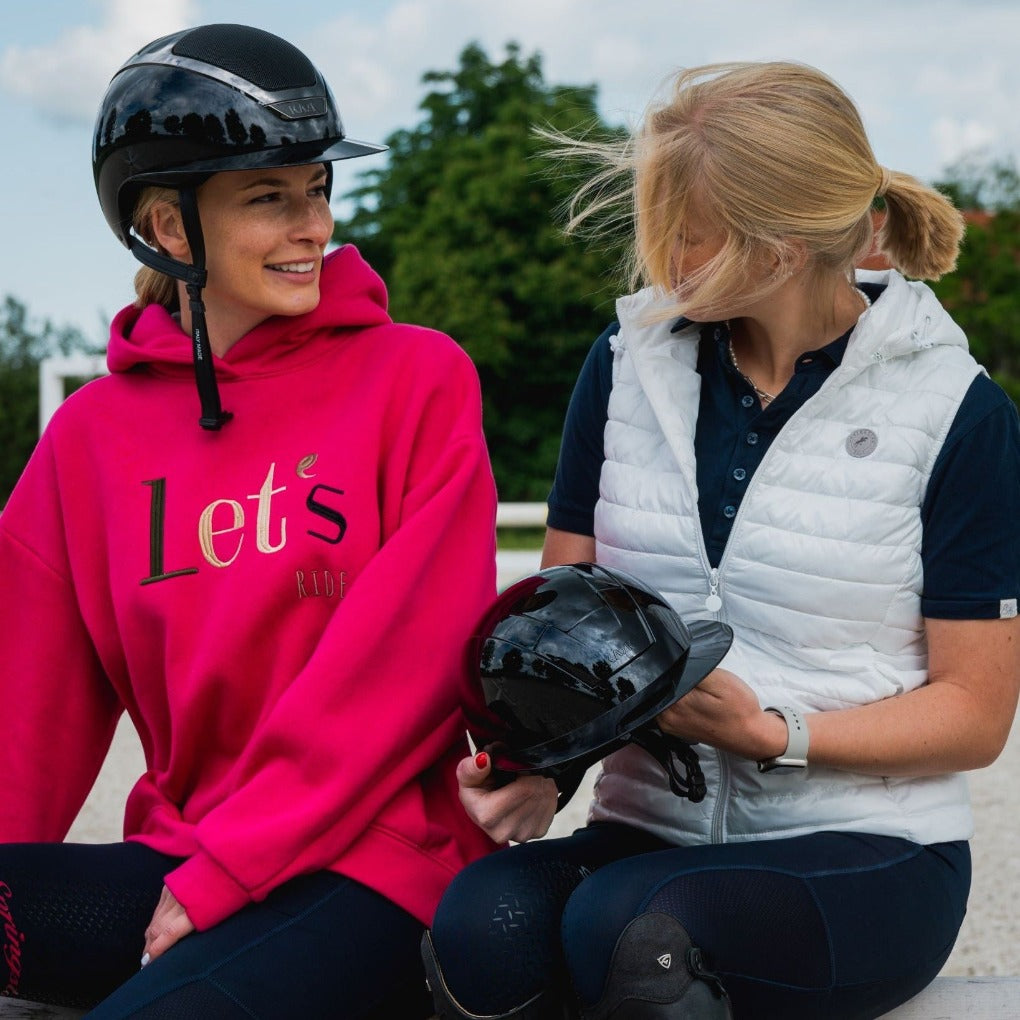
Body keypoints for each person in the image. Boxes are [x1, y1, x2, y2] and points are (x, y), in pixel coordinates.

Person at [424, 60, 1020, 1019]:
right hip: (649, 834)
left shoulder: (959, 412)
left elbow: (976, 715)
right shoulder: (621, 366)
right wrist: (546, 767)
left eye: (681, 238)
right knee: (482, 925)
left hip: (873, 846)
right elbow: (570, 620)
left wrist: (769, 737)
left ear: (778, 253)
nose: (658, 265)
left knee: (636, 934)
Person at [0, 23, 497, 1019]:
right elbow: (26, 712)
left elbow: (401, 679)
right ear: (171, 229)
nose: (314, 225)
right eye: (270, 199)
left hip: (378, 870)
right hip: (179, 863)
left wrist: (232, 866)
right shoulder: (89, 438)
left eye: (316, 189)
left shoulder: (416, 379)